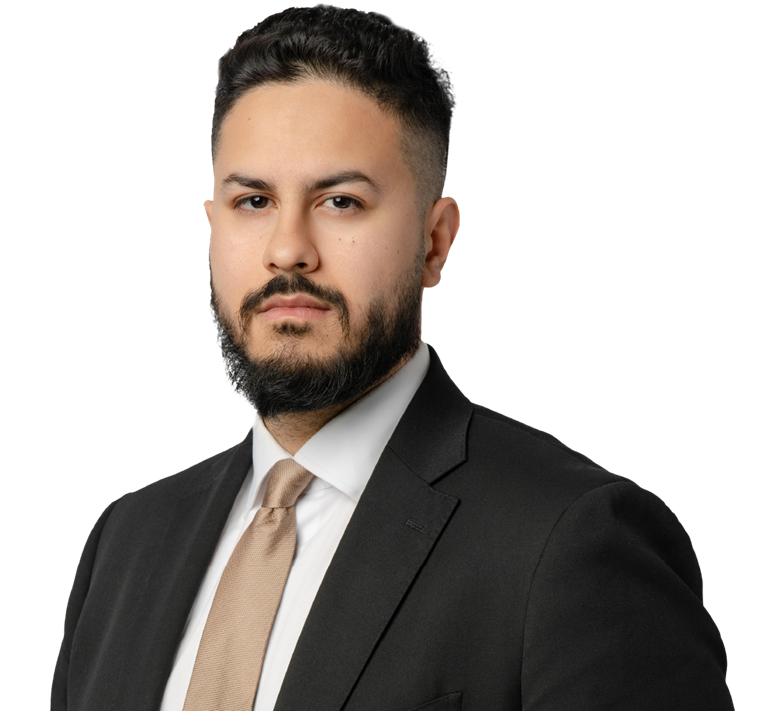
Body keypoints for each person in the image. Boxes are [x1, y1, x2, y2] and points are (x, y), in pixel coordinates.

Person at [51, 5, 733, 710]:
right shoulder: (125, 540)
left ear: (435, 243)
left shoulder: (572, 541)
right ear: (211, 226)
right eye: (253, 201)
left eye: (341, 202)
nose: (287, 249)